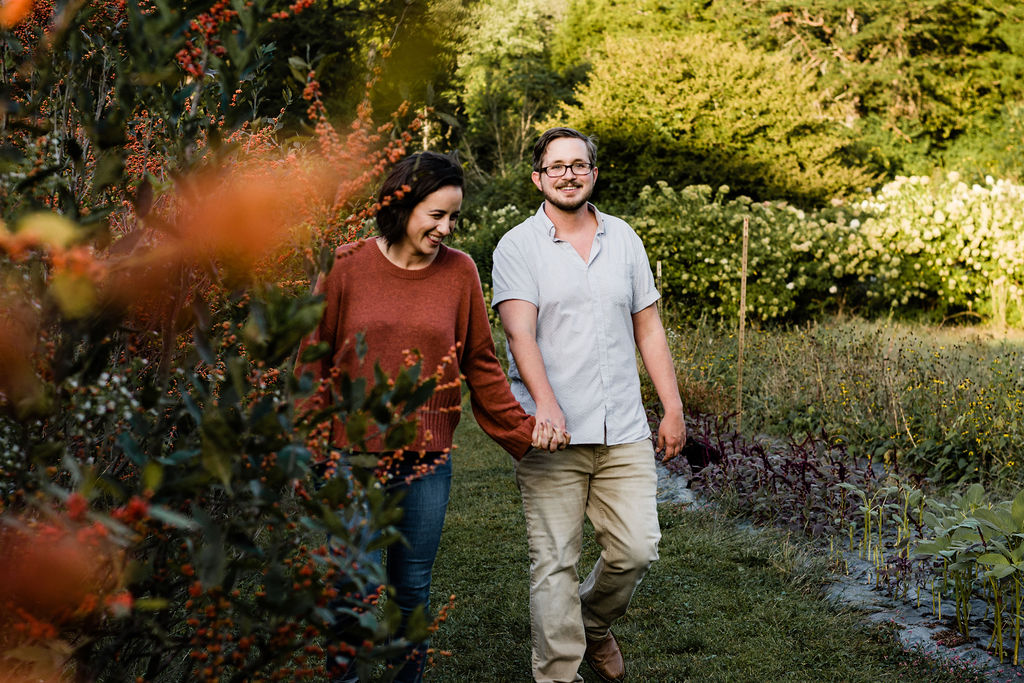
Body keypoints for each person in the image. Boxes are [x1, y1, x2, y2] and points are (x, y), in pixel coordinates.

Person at [298, 151, 568, 683]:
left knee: (411, 590)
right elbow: (312, 360)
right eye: (436, 216)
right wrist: (315, 450)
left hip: (426, 462)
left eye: (453, 218)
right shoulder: (345, 265)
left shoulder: (460, 271)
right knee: (351, 588)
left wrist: (524, 428)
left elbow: (481, 364)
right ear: (402, 205)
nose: (446, 228)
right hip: (350, 457)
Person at [491, 127, 685, 683]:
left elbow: (648, 328)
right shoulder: (517, 246)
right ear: (538, 178)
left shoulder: (624, 238)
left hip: (623, 427)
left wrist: (670, 408)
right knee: (553, 562)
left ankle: (592, 624)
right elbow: (520, 334)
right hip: (551, 434)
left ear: (594, 174)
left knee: (637, 550)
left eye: (579, 164)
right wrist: (545, 408)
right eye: (556, 166)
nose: (568, 174)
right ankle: (558, 674)